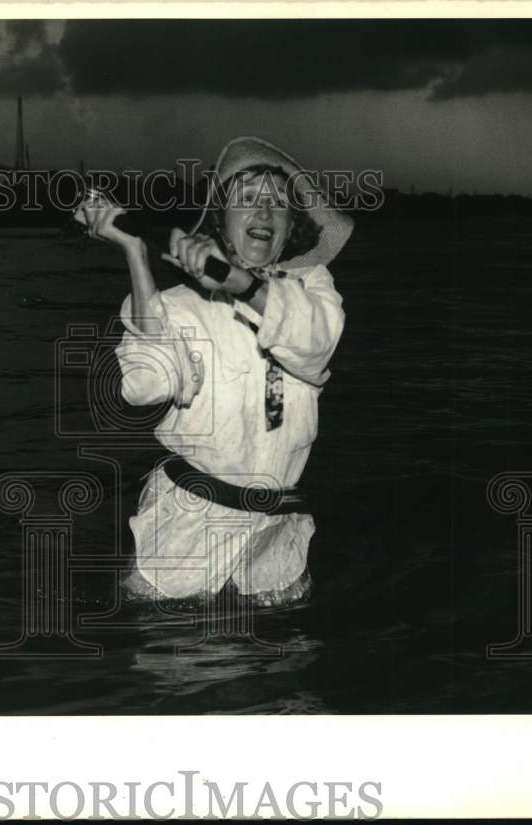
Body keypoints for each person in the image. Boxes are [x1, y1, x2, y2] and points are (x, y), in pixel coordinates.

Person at [75, 136, 353, 606]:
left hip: (275, 529)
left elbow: (315, 343)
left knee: (279, 671)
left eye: (277, 204)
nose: (263, 214)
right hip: (188, 525)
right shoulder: (179, 309)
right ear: (221, 222)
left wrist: (233, 280)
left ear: (292, 228)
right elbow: (143, 384)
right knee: (182, 667)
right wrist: (134, 253)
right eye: (246, 200)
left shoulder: (313, 291)